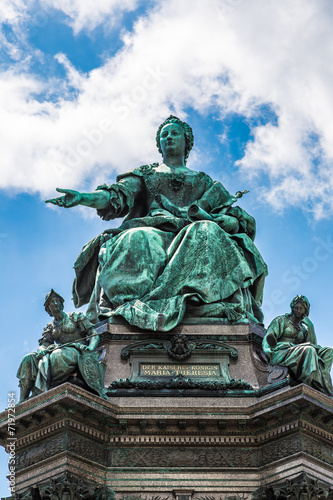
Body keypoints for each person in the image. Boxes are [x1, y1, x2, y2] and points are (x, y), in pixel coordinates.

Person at [46, 116, 268, 331]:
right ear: (159, 145)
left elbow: (233, 216)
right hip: (153, 230)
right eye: (164, 135)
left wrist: (228, 221)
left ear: (186, 142)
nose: (169, 137)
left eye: (174, 133)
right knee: (137, 238)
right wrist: (83, 198)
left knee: (206, 230)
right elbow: (117, 196)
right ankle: (134, 305)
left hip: (191, 232)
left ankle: (195, 300)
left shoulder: (204, 181)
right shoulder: (145, 175)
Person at [17, 290, 108, 403]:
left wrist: (90, 348)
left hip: (76, 350)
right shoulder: (50, 326)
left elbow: (93, 335)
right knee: (29, 358)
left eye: (57, 301)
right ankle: (22, 399)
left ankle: (40, 391)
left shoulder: (75, 317)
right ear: (48, 308)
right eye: (52, 302)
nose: (55, 304)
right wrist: (42, 350)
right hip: (59, 350)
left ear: (62, 304)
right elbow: (44, 344)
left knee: (57, 356)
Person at [262, 295, 333, 395]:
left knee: (329, 351)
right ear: (292, 308)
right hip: (282, 352)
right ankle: (307, 383)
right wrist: (267, 349)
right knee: (309, 350)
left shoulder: (304, 329)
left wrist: (310, 327)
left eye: (301, 308)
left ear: (305, 311)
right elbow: (268, 337)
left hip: (298, 353)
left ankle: (322, 386)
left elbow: (313, 345)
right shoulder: (281, 320)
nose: (298, 310)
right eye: (296, 307)